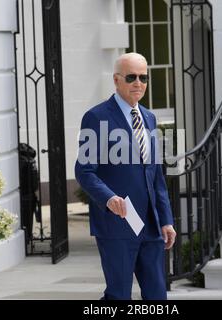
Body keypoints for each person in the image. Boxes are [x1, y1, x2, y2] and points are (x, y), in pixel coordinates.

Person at [75, 52, 176, 300]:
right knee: (118, 295)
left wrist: (166, 219)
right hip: (117, 224)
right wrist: (109, 198)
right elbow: (84, 171)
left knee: (157, 296)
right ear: (116, 80)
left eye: (143, 77)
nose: (138, 83)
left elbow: (156, 177)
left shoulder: (150, 118)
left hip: (150, 224)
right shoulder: (97, 117)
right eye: (131, 77)